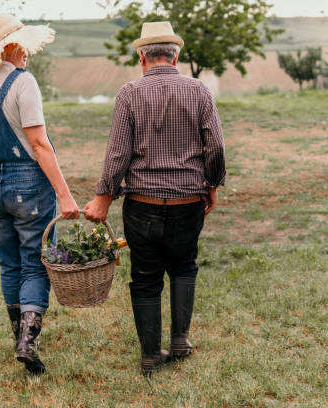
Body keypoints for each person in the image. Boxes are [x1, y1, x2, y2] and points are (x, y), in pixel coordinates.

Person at [84, 21, 226, 375]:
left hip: (142, 205)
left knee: (145, 277)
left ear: (141, 57)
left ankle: (150, 354)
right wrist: (213, 182)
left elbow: (117, 154)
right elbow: (216, 146)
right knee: (184, 266)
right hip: (187, 203)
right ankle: (180, 340)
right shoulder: (199, 91)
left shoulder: (129, 93)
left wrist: (104, 196)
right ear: (176, 55)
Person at [0, 14, 80, 374]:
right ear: (8, 48)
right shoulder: (23, 84)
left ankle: (18, 333)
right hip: (28, 186)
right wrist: (65, 195)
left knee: (9, 264)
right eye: (22, 44)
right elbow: (40, 146)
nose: (27, 50)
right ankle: (27, 341)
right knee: (34, 263)